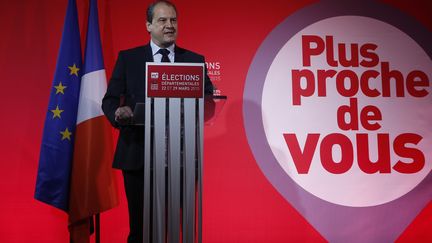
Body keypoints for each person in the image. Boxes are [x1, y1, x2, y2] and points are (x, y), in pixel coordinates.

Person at [101, 1, 214, 242]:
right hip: (138, 154)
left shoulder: (194, 60)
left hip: (180, 157)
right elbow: (109, 100)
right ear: (148, 25)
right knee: (141, 230)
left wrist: (204, 105)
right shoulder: (129, 58)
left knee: (176, 229)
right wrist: (119, 112)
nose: (169, 25)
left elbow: (209, 102)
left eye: (173, 20)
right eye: (162, 20)